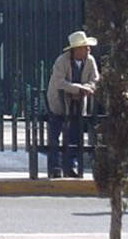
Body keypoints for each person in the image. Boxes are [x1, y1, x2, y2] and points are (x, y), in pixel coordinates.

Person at [45, 29, 100, 179]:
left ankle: (70, 166)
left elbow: (95, 79)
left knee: (75, 135)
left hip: (78, 104)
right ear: (76, 49)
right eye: (85, 47)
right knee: (55, 135)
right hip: (59, 103)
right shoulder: (61, 61)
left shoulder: (90, 61)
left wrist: (87, 88)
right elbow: (59, 82)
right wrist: (78, 89)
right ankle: (55, 167)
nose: (88, 49)